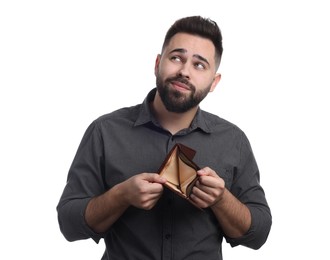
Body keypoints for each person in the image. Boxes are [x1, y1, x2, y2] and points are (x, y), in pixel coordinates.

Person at [57, 15, 272, 260]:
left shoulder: (234, 141)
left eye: (199, 64)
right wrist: (121, 196)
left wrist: (222, 200)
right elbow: (69, 223)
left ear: (214, 82)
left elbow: (259, 233)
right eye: (176, 58)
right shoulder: (105, 131)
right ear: (158, 63)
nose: (184, 71)